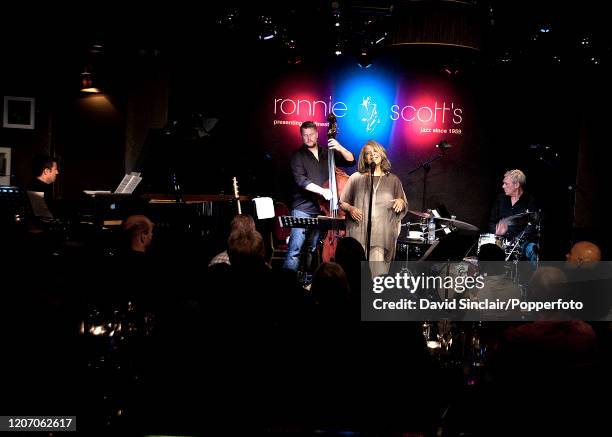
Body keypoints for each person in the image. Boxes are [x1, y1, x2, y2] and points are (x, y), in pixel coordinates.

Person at [283, 120, 355, 277]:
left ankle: (307, 279)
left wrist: (339, 147)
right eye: (305, 135)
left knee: (313, 248)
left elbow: (351, 161)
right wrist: (323, 191)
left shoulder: (327, 153)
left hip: (322, 209)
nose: (308, 138)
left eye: (311, 134)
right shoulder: (297, 156)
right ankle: (286, 283)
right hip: (303, 207)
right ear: (301, 136)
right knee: (295, 248)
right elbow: (301, 181)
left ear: (317, 134)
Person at [340, 140, 407, 277]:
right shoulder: (355, 178)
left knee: (377, 277)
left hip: (381, 237)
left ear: (381, 154)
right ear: (364, 158)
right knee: (355, 276)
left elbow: (403, 204)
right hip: (358, 235)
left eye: (375, 152)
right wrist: (351, 209)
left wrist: (401, 201)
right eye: (368, 153)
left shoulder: (393, 180)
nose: (372, 155)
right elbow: (342, 202)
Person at [489, 169, 538, 261]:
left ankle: (535, 275)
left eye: (506, 184)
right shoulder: (500, 199)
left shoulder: (530, 201)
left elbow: (532, 225)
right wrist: (497, 231)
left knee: (532, 249)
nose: (503, 186)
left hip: (521, 242)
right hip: (500, 239)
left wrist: (516, 240)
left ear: (516, 185)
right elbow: (492, 222)